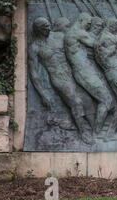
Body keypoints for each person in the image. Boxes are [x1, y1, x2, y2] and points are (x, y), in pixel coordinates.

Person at [28, 17, 94, 145]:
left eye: (48, 25)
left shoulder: (59, 36)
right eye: (44, 27)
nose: (48, 28)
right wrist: (43, 94)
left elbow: (76, 45)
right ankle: (84, 131)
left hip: (74, 72)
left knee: (89, 101)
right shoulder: (35, 47)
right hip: (59, 77)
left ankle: (96, 129)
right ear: (37, 30)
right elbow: (34, 73)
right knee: (76, 102)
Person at [65, 13, 113, 135]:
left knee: (106, 99)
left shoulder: (74, 33)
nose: (89, 25)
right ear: (81, 20)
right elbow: (96, 44)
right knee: (106, 100)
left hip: (86, 70)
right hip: (84, 72)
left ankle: (99, 130)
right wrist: (108, 33)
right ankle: (97, 133)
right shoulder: (78, 33)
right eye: (88, 23)